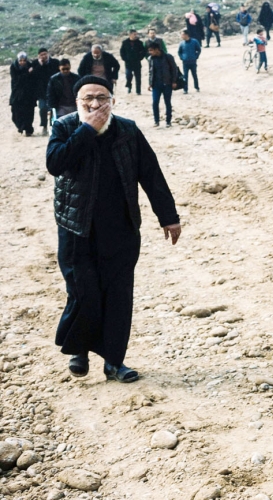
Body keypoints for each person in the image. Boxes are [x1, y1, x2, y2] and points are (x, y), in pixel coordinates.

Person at [47, 74, 181, 383]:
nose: (95, 104)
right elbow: (55, 162)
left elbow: (151, 175)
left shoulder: (128, 131)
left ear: (113, 101)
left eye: (102, 99)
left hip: (120, 229)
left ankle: (114, 363)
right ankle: (79, 348)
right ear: (78, 103)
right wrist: (87, 130)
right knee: (85, 293)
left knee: (119, 296)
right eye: (87, 100)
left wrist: (168, 216)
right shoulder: (65, 126)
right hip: (76, 229)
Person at [147, 41, 178, 128]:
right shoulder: (151, 59)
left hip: (167, 84)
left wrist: (174, 81)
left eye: (151, 50)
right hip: (156, 85)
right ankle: (156, 121)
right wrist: (150, 83)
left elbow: (174, 69)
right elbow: (150, 72)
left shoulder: (168, 57)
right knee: (155, 102)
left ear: (157, 50)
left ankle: (168, 121)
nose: (150, 52)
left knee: (167, 102)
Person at [31, 48, 60, 134]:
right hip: (41, 91)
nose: (44, 56)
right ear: (39, 56)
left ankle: (52, 126)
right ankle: (44, 126)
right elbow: (33, 76)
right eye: (41, 55)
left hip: (53, 90)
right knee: (43, 108)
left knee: (52, 109)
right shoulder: (35, 63)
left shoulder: (55, 62)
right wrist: (40, 65)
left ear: (48, 54)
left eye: (45, 54)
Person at [9, 52, 36, 136]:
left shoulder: (30, 66)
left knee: (29, 113)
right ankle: (20, 126)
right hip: (17, 94)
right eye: (20, 60)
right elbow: (17, 80)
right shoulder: (14, 67)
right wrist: (27, 73)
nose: (22, 62)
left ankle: (28, 129)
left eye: (24, 60)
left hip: (29, 95)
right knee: (16, 113)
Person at [119, 30, 148, 95]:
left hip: (137, 62)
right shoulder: (125, 42)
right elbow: (122, 52)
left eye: (136, 34)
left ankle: (138, 91)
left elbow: (143, 51)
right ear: (130, 35)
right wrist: (125, 59)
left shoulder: (139, 42)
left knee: (138, 77)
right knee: (128, 75)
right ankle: (129, 85)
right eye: (134, 34)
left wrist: (140, 58)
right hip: (128, 63)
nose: (136, 36)